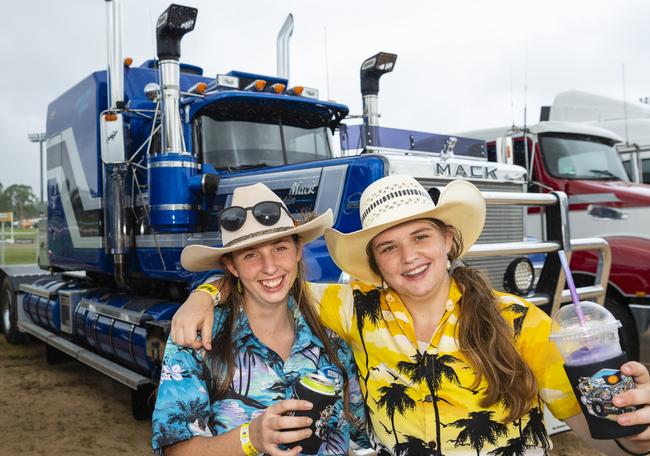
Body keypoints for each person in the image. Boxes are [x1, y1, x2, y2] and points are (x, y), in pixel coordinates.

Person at [172, 175, 650, 455]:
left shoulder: (521, 322)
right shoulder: (353, 309)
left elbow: (595, 426)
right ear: (375, 264)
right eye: (389, 247)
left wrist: (638, 429)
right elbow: (271, 280)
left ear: (447, 241)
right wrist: (208, 292)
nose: (408, 257)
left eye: (421, 237)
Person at [152, 183, 370, 456]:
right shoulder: (198, 338)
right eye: (251, 254)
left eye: (279, 248)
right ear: (232, 266)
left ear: (297, 249)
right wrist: (250, 438)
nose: (269, 267)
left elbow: (358, 434)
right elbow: (175, 450)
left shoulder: (332, 332)